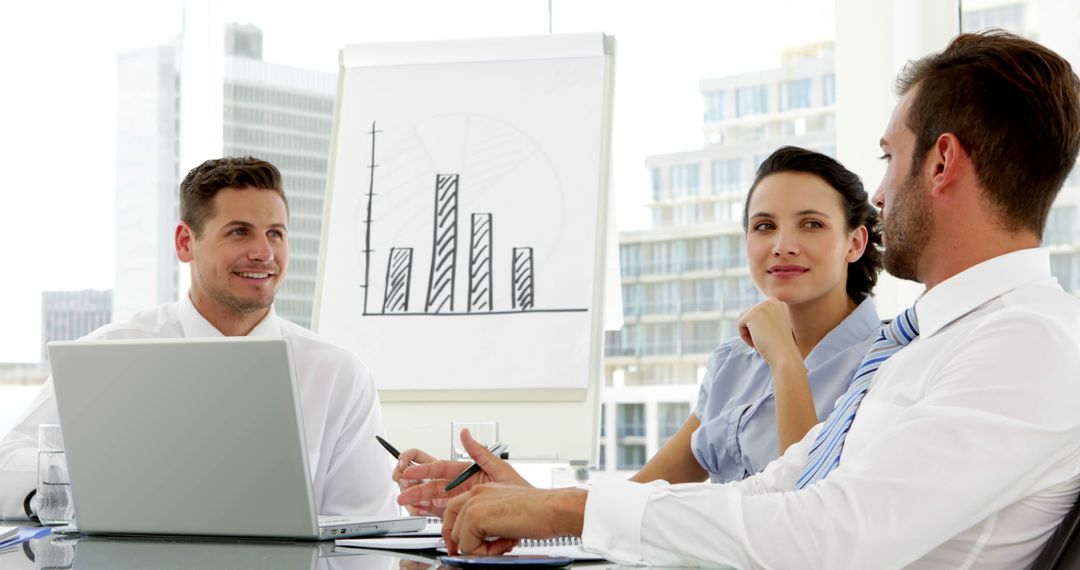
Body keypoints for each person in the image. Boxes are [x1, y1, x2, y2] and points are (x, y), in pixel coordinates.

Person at [437, 30, 1080, 567]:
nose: (880, 194)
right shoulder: (929, 341)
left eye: (890, 157)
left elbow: (828, 535)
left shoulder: (1030, 343)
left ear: (941, 163)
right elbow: (781, 487)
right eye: (763, 226)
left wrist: (563, 509)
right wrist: (551, 511)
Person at [393, 147, 885, 514]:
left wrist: (784, 360)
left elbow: (804, 516)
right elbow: (636, 498)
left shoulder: (886, 361)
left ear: (855, 242)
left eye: (812, 225)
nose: (782, 245)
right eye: (763, 226)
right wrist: (514, 494)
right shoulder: (733, 363)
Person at [0, 157, 397, 519]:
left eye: (275, 233)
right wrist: (94, 481)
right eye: (240, 232)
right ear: (185, 242)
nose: (264, 252)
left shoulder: (337, 376)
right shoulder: (108, 355)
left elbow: (363, 527)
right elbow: (7, 465)